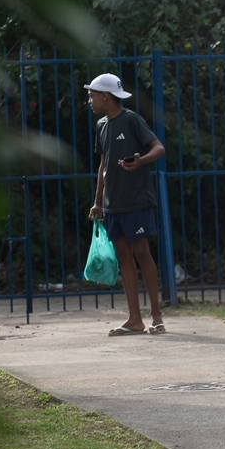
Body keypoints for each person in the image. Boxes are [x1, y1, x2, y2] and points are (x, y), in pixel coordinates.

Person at [85, 73, 168, 336]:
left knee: (142, 253)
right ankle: (135, 320)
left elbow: (158, 148)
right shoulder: (101, 125)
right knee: (124, 257)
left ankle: (156, 316)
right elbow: (103, 165)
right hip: (113, 205)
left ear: (105, 96)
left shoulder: (131, 119)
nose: (90, 100)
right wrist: (98, 202)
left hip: (137, 201)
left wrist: (140, 161)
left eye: (92, 95)